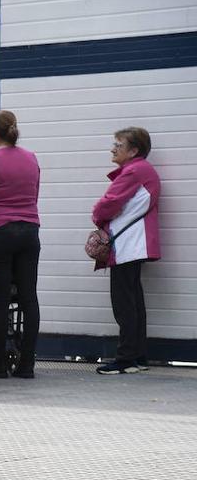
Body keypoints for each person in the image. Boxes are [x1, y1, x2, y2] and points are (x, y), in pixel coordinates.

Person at [92, 126, 161, 375]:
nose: (113, 148)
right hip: (136, 243)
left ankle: (126, 358)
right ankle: (138, 356)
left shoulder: (133, 170)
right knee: (134, 301)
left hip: (127, 244)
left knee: (123, 303)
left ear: (133, 150)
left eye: (118, 145)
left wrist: (96, 214)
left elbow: (109, 204)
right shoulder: (143, 170)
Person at [0, 110, 41, 378]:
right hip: (30, 231)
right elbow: (35, 193)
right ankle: (27, 364)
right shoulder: (31, 158)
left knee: (1, 298)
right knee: (29, 297)